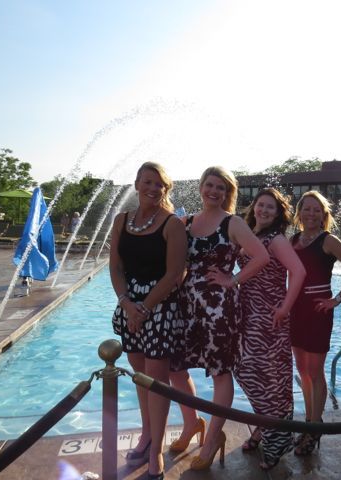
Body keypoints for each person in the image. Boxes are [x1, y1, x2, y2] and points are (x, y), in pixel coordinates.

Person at [169, 166, 269, 471]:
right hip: (187, 304)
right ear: (201, 187)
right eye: (210, 185)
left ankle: (212, 438)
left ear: (227, 193)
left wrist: (232, 279)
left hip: (219, 308)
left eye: (220, 187)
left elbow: (262, 256)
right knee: (175, 368)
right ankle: (192, 424)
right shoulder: (186, 223)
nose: (214, 191)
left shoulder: (232, 222)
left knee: (220, 373)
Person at [109, 162, 187, 480]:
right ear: (137, 183)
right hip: (130, 305)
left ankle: (155, 448)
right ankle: (146, 434)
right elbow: (115, 266)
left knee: (157, 380)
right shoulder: (121, 220)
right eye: (148, 182)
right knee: (140, 377)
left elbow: (175, 273)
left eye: (159, 184)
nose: (153, 188)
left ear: (165, 189)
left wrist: (143, 309)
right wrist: (127, 304)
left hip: (160, 307)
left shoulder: (172, 224)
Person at [233, 188, 306, 470]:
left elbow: (298, 272)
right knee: (246, 370)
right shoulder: (250, 234)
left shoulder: (276, 239)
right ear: (254, 207)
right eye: (260, 205)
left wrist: (285, 307)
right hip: (247, 312)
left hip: (268, 315)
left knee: (264, 375)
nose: (263, 210)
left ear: (277, 214)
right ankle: (267, 426)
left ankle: (276, 439)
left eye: (270, 207)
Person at [289, 190, 341, 456]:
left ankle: (314, 427)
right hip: (296, 311)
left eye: (316, 210)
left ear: (323, 215)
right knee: (303, 371)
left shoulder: (328, 240)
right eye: (307, 209)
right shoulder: (293, 240)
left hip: (318, 310)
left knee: (315, 371)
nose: (311, 213)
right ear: (299, 213)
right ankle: (309, 422)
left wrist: (337, 299)